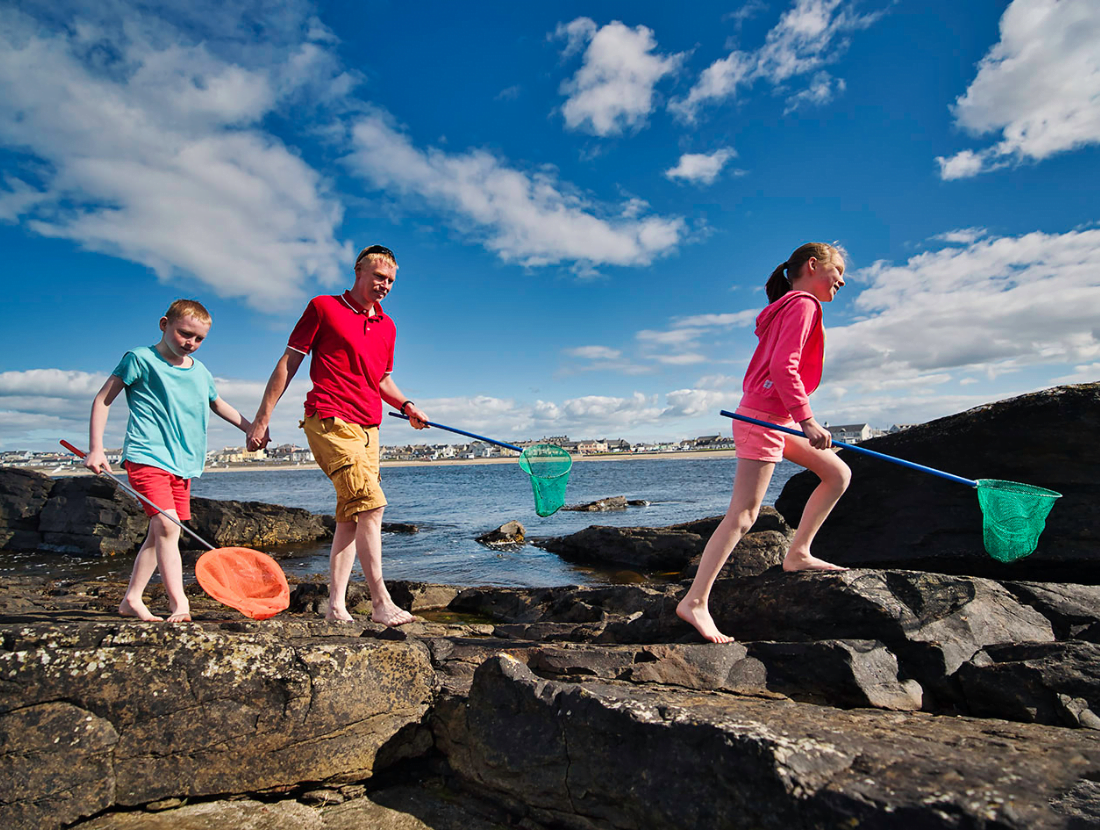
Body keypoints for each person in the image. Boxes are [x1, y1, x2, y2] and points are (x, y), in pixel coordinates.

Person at [246, 244, 430, 626]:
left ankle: (335, 606)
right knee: (372, 505)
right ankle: (381, 602)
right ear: (358, 272)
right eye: (380, 277)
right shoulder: (323, 307)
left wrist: (408, 406)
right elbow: (289, 361)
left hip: (370, 428)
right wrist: (262, 420)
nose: (386, 286)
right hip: (329, 418)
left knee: (352, 515)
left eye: (392, 281)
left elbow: (382, 380)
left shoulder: (388, 326)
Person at [677, 242, 851, 643]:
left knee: (837, 474)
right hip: (763, 418)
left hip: (777, 418)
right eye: (837, 269)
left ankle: (798, 553)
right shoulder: (803, 303)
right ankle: (695, 602)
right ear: (812, 266)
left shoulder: (791, 306)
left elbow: (781, 368)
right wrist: (808, 420)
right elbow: (783, 366)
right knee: (743, 515)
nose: (842, 279)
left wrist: (799, 419)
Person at [84, 299, 258, 622]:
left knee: (162, 532)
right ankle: (180, 603)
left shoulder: (201, 372)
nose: (190, 342)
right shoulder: (140, 359)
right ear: (164, 324)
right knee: (165, 525)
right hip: (147, 455)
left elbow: (218, 405)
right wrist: (96, 448)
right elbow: (102, 400)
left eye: (199, 338)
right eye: (184, 333)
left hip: (183, 463)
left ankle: (132, 599)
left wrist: (250, 427)